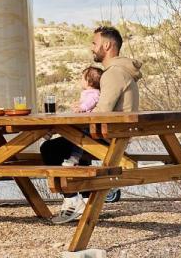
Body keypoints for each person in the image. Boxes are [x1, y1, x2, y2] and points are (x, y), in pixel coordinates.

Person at [41, 25, 142, 224]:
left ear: (107, 45)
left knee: (50, 149)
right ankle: (86, 201)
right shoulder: (120, 72)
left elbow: (102, 112)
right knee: (77, 143)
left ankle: (72, 200)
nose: (92, 48)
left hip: (109, 137)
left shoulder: (113, 73)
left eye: (94, 43)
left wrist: (72, 121)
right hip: (115, 135)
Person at [61, 66, 104, 167]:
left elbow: (91, 102)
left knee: (79, 137)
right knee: (69, 129)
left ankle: (75, 157)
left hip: (87, 125)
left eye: (82, 78)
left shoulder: (94, 93)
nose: (80, 80)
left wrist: (82, 107)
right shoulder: (87, 93)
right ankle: (51, 131)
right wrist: (78, 104)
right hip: (83, 122)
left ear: (89, 81)